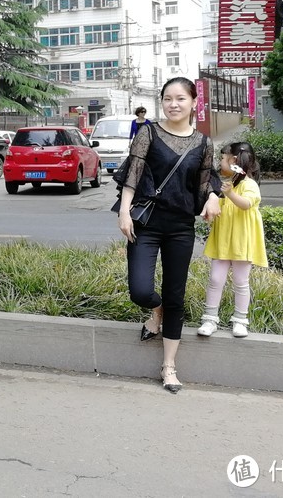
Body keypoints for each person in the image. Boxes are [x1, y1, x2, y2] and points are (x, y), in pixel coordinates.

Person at [115, 77, 222, 393]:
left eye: (180, 99)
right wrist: (123, 211)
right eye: (167, 98)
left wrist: (214, 196)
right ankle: (155, 309)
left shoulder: (203, 143)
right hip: (145, 222)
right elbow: (132, 173)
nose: (173, 104)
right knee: (140, 290)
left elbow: (203, 183)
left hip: (180, 227)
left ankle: (169, 366)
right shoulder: (148, 132)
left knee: (176, 294)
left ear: (193, 103)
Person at [199, 141, 268, 339]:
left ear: (234, 161)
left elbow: (246, 205)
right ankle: (210, 319)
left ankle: (240, 321)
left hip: (241, 242)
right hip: (223, 242)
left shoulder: (249, 185)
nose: (220, 162)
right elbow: (220, 208)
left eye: (223, 158)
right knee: (215, 279)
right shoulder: (228, 185)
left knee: (241, 282)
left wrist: (229, 194)